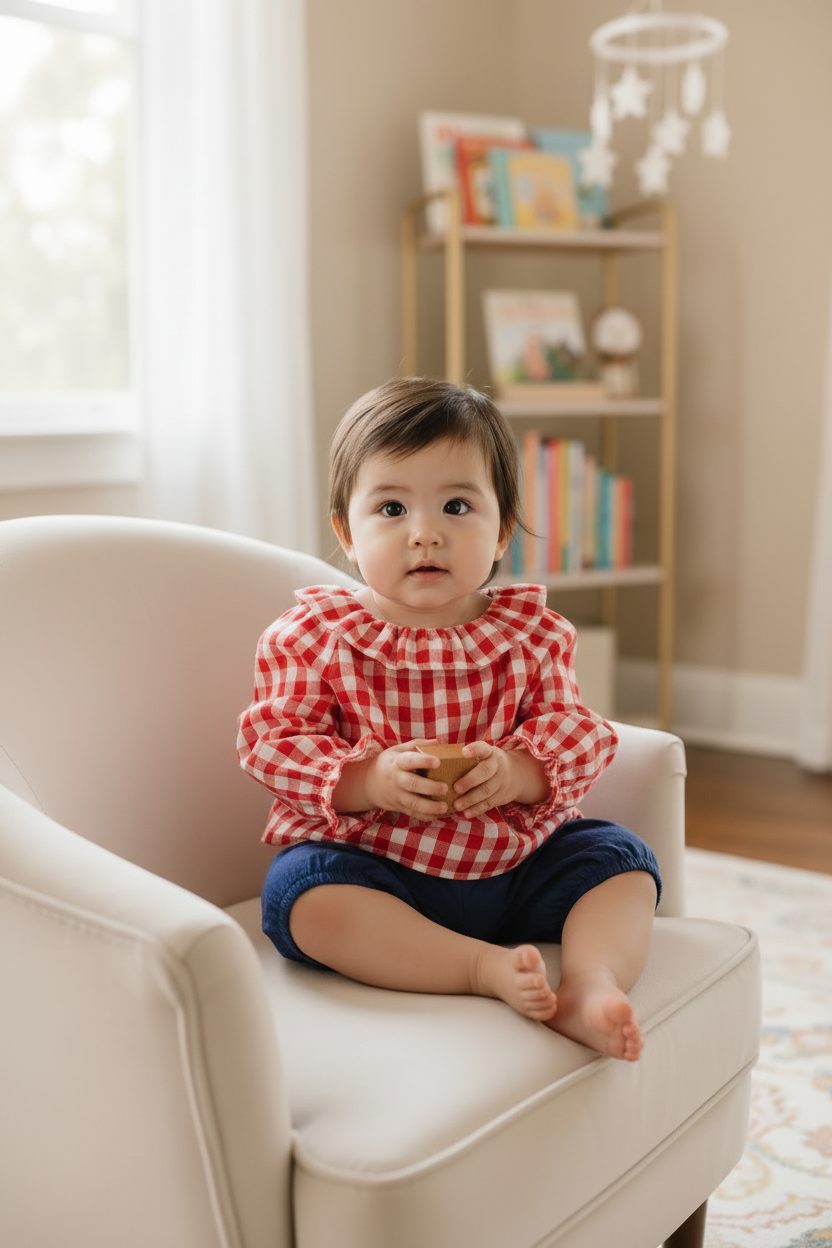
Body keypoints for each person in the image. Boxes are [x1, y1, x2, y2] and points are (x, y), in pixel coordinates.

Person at [237, 378, 661, 1061]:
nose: (425, 533)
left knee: (621, 861)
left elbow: (576, 731)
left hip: (516, 865)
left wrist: (518, 771)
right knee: (300, 893)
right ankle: (477, 967)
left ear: (500, 531)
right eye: (393, 507)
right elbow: (273, 743)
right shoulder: (311, 635)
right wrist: (368, 779)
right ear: (347, 531)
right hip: (379, 871)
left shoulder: (532, 633)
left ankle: (589, 982)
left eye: (457, 506)